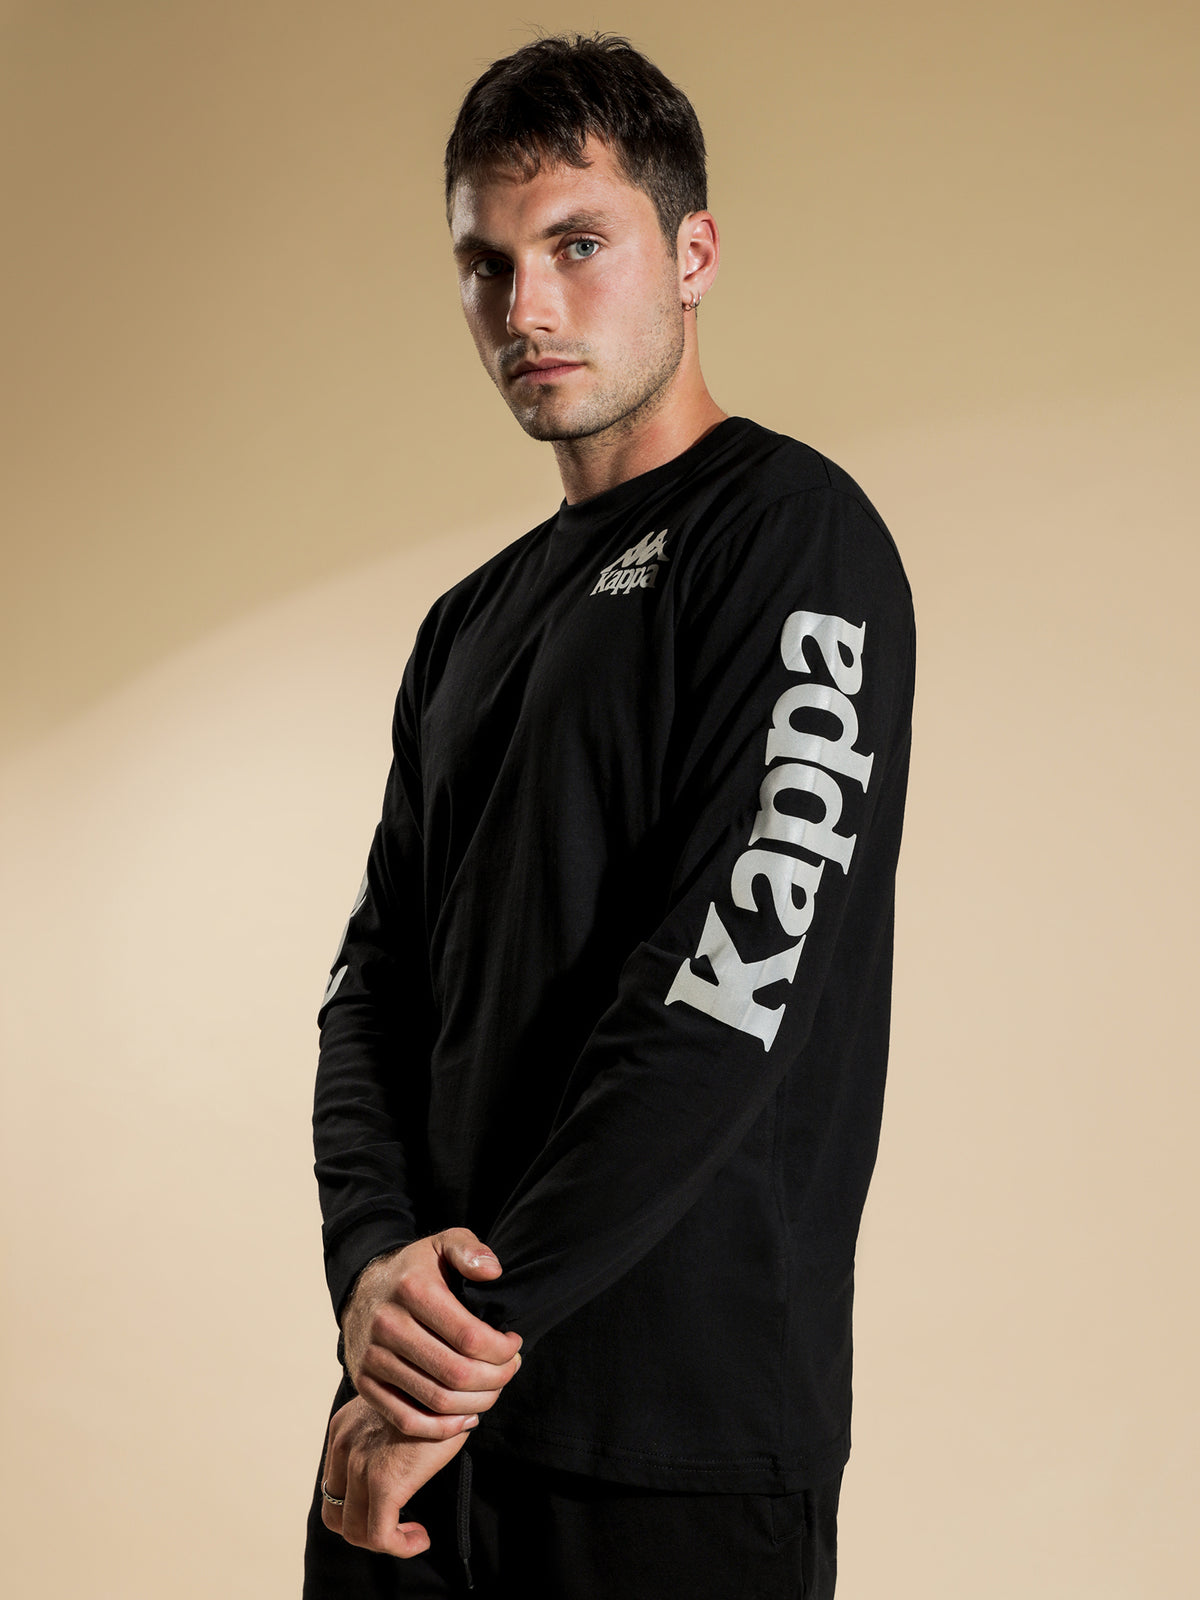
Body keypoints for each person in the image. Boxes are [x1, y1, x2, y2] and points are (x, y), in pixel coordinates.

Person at [304, 32, 914, 1600]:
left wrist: (465, 1341)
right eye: (486, 264)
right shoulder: (466, 623)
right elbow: (374, 988)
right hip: (421, 1431)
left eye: (578, 244)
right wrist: (370, 1268)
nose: (528, 309)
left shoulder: (793, 538)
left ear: (693, 253)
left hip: (667, 1448)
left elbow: (728, 980)